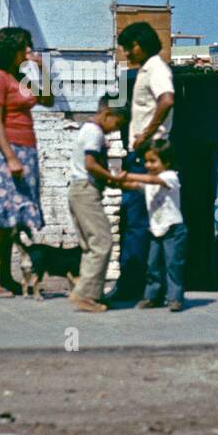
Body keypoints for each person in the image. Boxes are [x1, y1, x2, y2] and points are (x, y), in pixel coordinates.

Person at [0, 27, 53, 297]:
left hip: (25, 151)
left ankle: (4, 276)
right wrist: (11, 158)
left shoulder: (20, 78)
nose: (28, 53)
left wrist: (42, 68)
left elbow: (48, 99)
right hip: (4, 153)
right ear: (10, 50)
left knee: (13, 218)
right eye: (23, 48)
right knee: (2, 217)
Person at [111, 21, 175, 302]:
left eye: (130, 46)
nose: (127, 53)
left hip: (147, 153)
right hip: (141, 153)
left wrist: (145, 134)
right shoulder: (143, 71)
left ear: (143, 43)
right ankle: (146, 286)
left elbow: (167, 100)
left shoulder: (157, 68)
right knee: (140, 221)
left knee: (136, 221)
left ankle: (131, 286)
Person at [65, 94, 129, 313]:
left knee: (91, 245)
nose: (115, 130)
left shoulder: (88, 130)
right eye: (116, 124)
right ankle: (85, 295)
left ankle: (92, 293)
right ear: (107, 114)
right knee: (102, 241)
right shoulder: (94, 132)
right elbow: (91, 164)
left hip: (79, 190)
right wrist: (113, 178)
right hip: (85, 191)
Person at [118, 139, 186, 311]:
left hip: (173, 229)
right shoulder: (148, 182)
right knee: (152, 265)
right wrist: (112, 178)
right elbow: (133, 185)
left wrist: (127, 174)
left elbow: (152, 180)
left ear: (167, 162)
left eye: (153, 161)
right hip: (155, 230)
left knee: (173, 264)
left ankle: (175, 298)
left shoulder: (170, 176)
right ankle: (152, 296)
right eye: (146, 161)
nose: (148, 165)